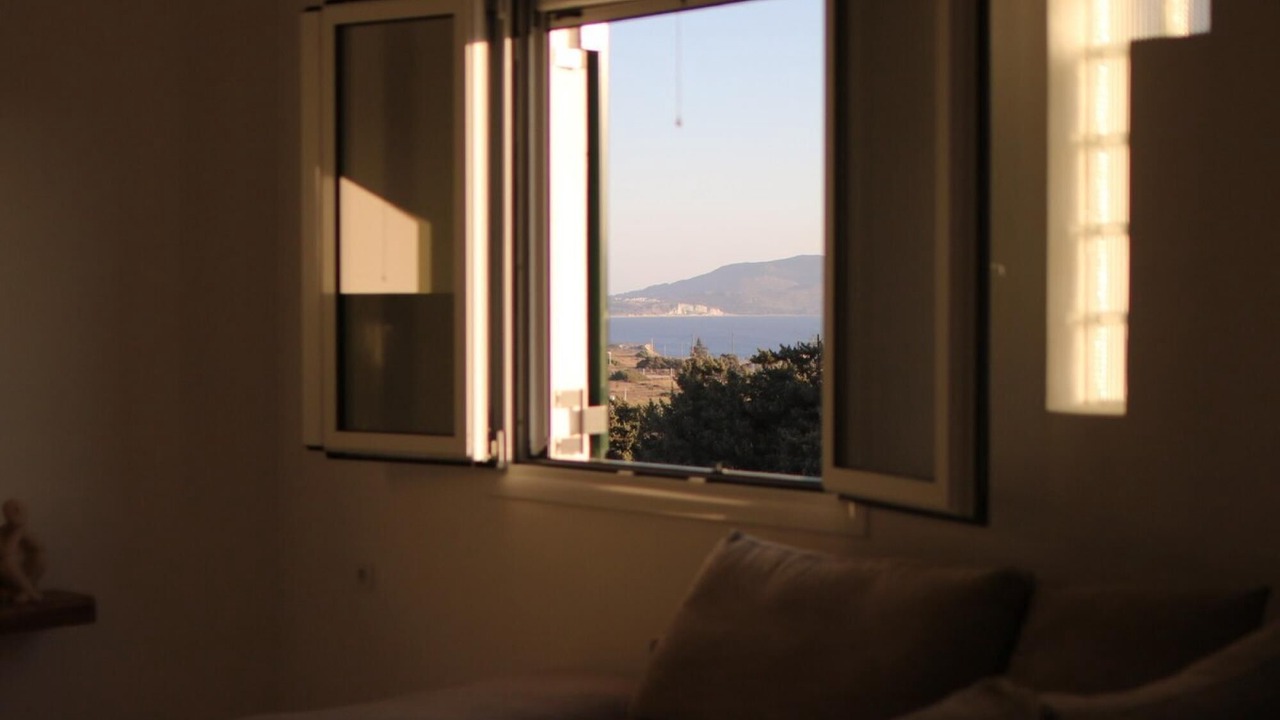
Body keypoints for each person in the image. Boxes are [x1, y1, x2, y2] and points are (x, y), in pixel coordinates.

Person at [0, 499, 45, 604]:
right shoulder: (3, 531)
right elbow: (7, 555)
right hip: (6, 575)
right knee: (7, 563)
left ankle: (24, 591)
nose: (18, 511)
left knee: (41, 557)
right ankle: (30, 591)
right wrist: (17, 531)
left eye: (19, 508)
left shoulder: (25, 531)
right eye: (14, 509)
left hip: (23, 572)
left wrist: (20, 529)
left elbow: (39, 548)